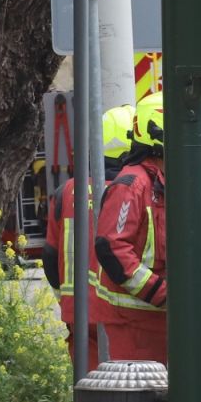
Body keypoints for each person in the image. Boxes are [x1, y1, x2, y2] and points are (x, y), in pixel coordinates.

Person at [91, 92, 169, 363]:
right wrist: (161, 293)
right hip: (134, 323)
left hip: (159, 319)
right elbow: (111, 247)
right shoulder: (132, 185)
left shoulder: (162, 182)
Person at [42, 105, 134, 334]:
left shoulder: (67, 191)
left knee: (88, 371)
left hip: (80, 316)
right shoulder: (138, 192)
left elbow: (50, 257)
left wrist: (65, 301)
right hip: (126, 318)